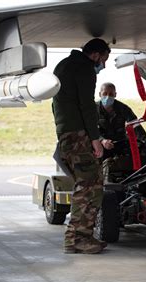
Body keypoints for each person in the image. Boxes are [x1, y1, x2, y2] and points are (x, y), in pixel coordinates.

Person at [52, 38, 110, 254]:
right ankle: (78, 238)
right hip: (79, 135)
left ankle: (77, 237)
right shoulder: (84, 69)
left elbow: (55, 103)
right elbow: (87, 105)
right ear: (95, 55)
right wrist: (95, 138)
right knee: (90, 186)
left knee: (84, 184)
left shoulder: (63, 65)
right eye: (103, 59)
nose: (103, 64)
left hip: (67, 133)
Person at [97, 82, 146, 181]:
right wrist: (102, 140)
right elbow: (90, 129)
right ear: (100, 94)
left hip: (119, 143)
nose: (108, 97)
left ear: (115, 95)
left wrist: (143, 141)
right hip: (100, 144)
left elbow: (135, 125)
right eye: (105, 94)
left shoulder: (123, 108)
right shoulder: (93, 109)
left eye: (111, 94)